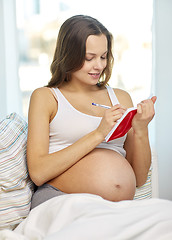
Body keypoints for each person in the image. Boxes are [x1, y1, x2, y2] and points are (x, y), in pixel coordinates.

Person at [27, 15, 156, 209]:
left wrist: (141, 129)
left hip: (115, 209)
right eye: (89, 58)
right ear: (68, 55)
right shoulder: (46, 97)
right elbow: (38, 173)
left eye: (103, 56)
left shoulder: (120, 98)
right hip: (61, 200)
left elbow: (138, 178)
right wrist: (98, 133)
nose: (99, 66)